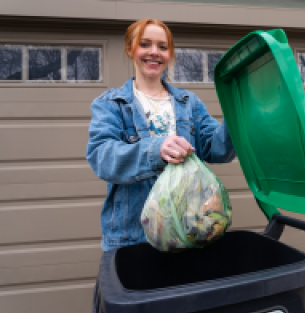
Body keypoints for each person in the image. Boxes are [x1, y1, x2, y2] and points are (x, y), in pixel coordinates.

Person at [86, 18, 235, 251]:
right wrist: (157, 150)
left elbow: (217, 149)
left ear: (170, 54)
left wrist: (237, 114)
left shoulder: (189, 103)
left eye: (162, 47)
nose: (154, 52)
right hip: (132, 239)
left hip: (186, 231)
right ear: (130, 48)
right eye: (145, 44)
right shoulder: (110, 104)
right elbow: (102, 157)